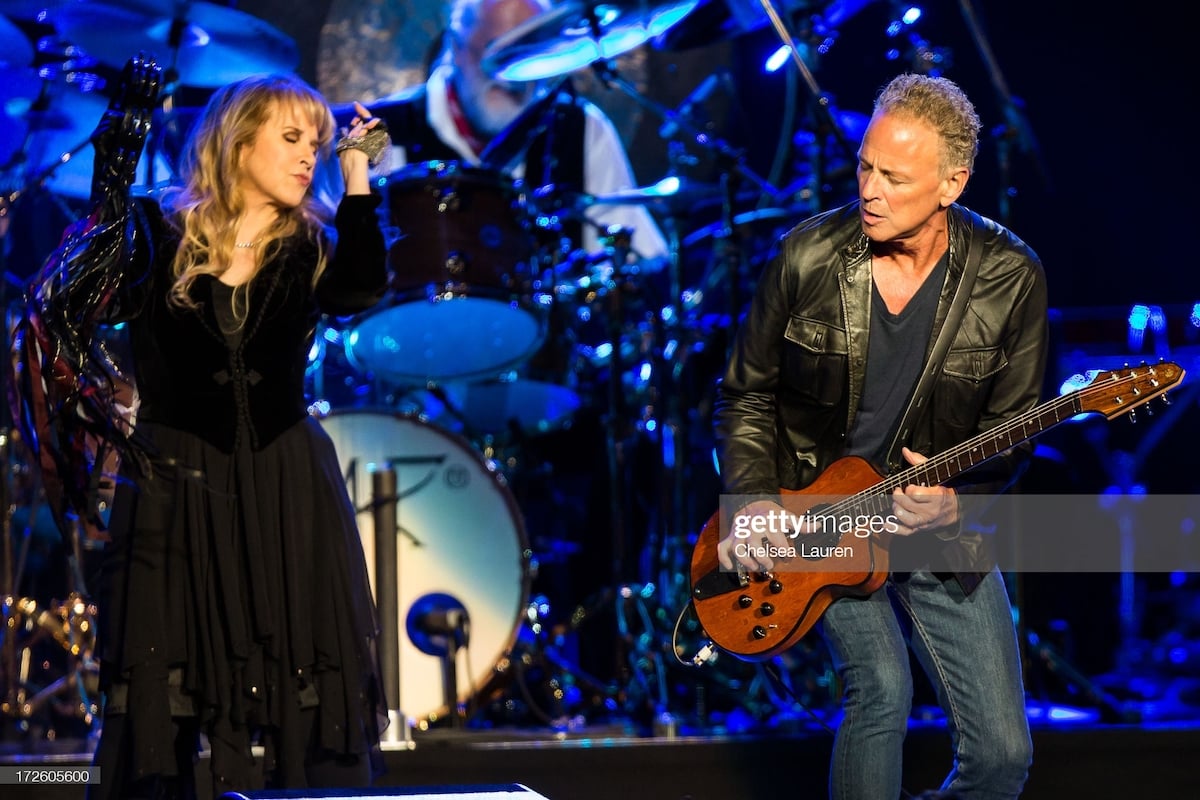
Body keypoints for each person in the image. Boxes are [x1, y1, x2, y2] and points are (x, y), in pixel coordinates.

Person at [22, 65, 393, 798]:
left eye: (315, 144)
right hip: (173, 487)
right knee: (170, 682)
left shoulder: (310, 243)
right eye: (290, 138)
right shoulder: (155, 234)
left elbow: (361, 288)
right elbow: (82, 284)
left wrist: (356, 176)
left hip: (286, 485)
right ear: (237, 142)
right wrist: (119, 143)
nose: (304, 156)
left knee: (300, 676)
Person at [713, 73, 1046, 799]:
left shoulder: (1011, 276)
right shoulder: (807, 256)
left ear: (951, 184)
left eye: (894, 177)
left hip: (930, 525)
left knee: (1001, 755)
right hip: (822, 515)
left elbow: (1011, 434)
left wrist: (959, 509)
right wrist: (753, 500)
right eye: (865, 165)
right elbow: (745, 392)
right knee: (882, 692)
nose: (869, 189)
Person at [367, 0, 670, 262]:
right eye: (494, 52)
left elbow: (637, 257)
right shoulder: (383, 133)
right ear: (456, 49)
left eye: (526, 54)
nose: (508, 76)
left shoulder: (583, 130)